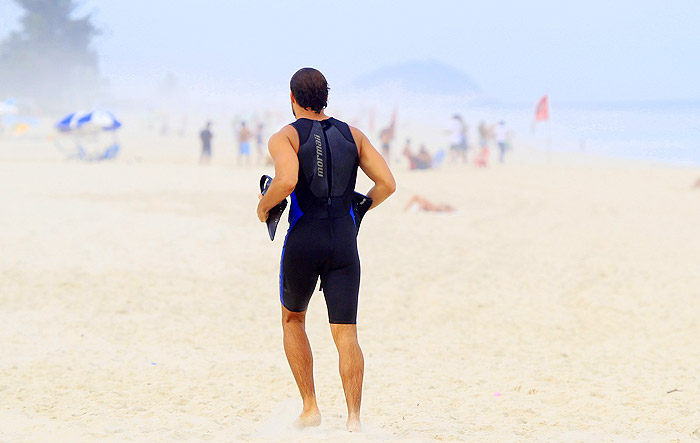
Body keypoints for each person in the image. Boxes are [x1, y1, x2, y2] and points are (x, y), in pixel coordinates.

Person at [256, 68, 395, 432]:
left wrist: (263, 206)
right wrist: (360, 207)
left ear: (292, 98)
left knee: (293, 319)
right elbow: (387, 183)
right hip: (344, 241)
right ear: (326, 97)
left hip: (305, 238)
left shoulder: (284, 136)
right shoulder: (354, 135)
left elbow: (286, 181)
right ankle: (353, 420)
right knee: (346, 332)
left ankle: (311, 407)